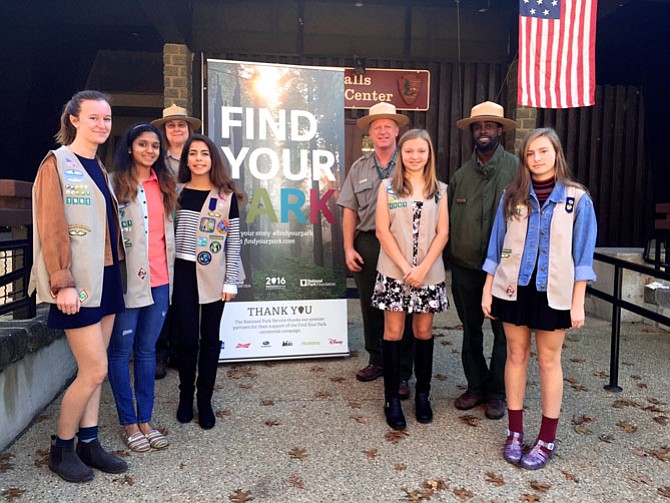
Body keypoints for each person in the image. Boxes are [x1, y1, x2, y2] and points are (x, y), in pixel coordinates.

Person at [482, 127, 597, 470]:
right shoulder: (511, 196)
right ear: (524, 159)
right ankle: (514, 432)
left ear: (556, 154)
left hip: (555, 292)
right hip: (513, 288)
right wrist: (488, 287)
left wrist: (578, 302)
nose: (536, 159)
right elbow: (496, 245)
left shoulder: (578, 199)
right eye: (530, 154)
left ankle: (546, 437)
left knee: (549, 361)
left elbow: (583, 257)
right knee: (515, 355)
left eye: (543, 151)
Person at [29, 90, 128, 482]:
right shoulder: (57, 164)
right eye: (93, 118)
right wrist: (62, 281)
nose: (102, 125)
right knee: (94, 369)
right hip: (79, 283)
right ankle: (62, 447)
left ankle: (89, 442)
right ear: (74, 119)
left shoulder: (98, 167)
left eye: (106, 118)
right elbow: (52, 226)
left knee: (97, 370)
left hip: (108, 276)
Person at [371, 129, 449, 430]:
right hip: (394, 271)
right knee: (393, 332)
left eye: (421, 151)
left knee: (423, 330)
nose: (415, 157)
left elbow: (443, 232)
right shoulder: (387, 188)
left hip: (429, 273)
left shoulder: (440, 190)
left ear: (429, 154)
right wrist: (406, 268)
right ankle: (391, 399)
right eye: (409, 151)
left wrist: (422, 268)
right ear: (401, 155)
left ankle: (423, 395)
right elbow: (382, 231)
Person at [337, 102, 415, 399]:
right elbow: (349, 211)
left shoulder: (411, 163)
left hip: (403, 243)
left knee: (401, 307)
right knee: (372, 305)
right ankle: (378, 359)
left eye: (388, 126)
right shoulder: (359, 168)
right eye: (376, 126)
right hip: (368, 242)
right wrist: (348, 247)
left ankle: (404, 372)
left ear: (397, 130)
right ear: (370, 133)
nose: (382, 131)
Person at [446, 101, 518, 420]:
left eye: (490, 125)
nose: (483, 131)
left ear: (500, 130)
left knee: (503, 333)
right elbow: (447, 221)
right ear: (472, 132)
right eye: (478, 126)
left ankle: (497, 393)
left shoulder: (517, 171)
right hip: (465, 270)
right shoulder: (461, 176)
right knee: (471, 329)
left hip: (505, 272)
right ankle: (475, 385)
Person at [107, 122, 176, 452]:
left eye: (155, 146)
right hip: (127, 282)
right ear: (130, 148)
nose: (150, 150)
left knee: (147, 351)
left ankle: (145, 419)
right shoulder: (113, 183)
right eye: (143, 144)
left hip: (161, 281)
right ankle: (128, 422)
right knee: (121, 352)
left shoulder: (163, 183)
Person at [172, 134, 244, 429]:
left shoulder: (226, 196)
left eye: (204, 153)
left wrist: (231, 280)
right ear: (186, 159)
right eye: (193, 153)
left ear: (213, 159)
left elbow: (234, 240)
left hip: (215, 273)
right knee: (187, 338)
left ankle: (205, 399)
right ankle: (185, 394)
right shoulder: (175, 192)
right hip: (182, 272)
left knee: (210, 338)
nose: (198, 158)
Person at [151, 103, 202, 379]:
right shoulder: (157, 160)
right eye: (171, 125)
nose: (177, 129)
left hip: (194, 238)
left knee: (186, 298)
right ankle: (159, 353)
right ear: (164, 131)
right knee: (163, 297)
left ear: (189, 129)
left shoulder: (199, 157)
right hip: (164, 234)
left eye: (181, 124)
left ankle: (181, 353)